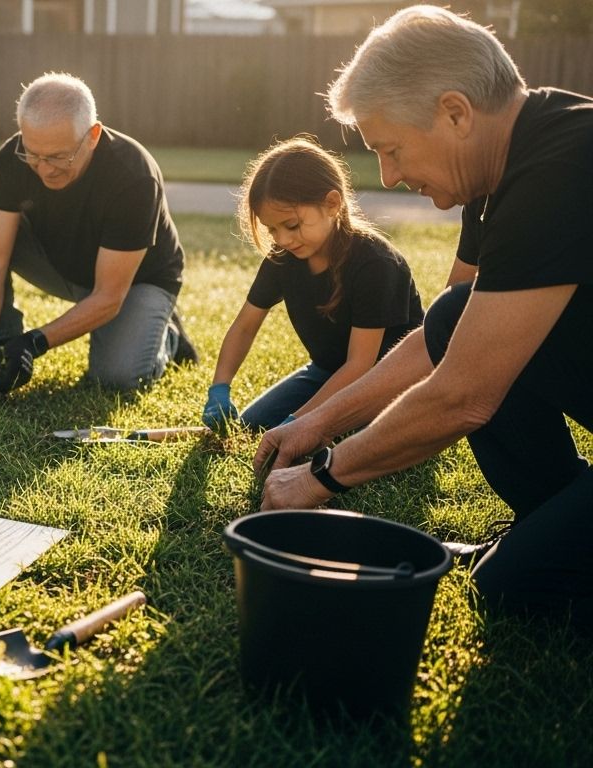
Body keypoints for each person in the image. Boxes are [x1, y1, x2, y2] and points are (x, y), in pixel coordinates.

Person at [254, 5, 593, 631]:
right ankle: (552, 515)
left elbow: (463, 394)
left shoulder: (564, 166)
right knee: (454, 311)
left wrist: (321, 477)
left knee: (514, 586)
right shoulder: (506, 165)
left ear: (455, 112)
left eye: (391, 149)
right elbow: (451, 337)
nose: (389, 175)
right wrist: (316, 422)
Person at [0, 72, 194, 397]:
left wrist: (34, 342)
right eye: (33, 154)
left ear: (92, 135)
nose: (45, 168)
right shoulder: (13, 156)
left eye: (58, 156)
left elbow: (108, 295)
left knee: (116, 379)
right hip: (62, 263)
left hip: (135, 282)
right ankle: (0, 348)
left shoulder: (133, 175)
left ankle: (168, 336)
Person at [202, 136, 423, 433]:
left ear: (332, 203)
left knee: (332, 438)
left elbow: (360, 365)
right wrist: (220, 387)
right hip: (327, 373)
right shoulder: (283, 259)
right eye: (272, 230)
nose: (281, 239)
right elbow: (245, 325)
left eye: (291, 225)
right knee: (248, 427)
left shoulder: (375, 264)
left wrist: (299, 423)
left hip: (387, 383)